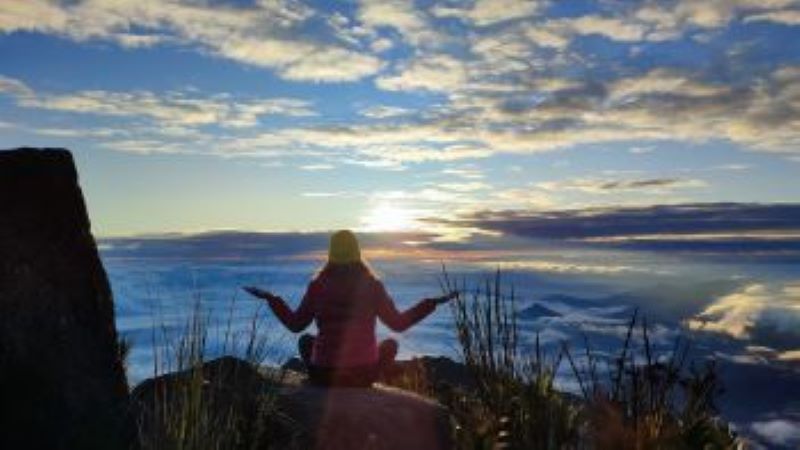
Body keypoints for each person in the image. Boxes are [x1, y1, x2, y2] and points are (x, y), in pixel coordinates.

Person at [243, 229, 457, 387]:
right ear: (357, 252)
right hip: (363, 376)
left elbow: (296, 325)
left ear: (331, 254)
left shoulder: (318, 286)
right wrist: (431, 303)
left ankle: (319, 378)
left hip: (324, 375)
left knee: (305, 340)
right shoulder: (372, 286)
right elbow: (398, 324)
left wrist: (271, 299)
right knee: (390, 345)